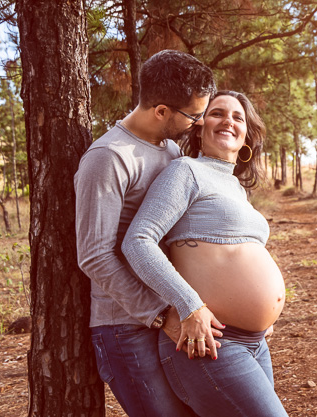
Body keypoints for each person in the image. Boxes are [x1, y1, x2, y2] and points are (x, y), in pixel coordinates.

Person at [122, 90, 288, 417]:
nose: (228, 120)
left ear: (246, 136)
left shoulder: (237, 187)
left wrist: (263, 316)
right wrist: (189, 305)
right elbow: (138, 240)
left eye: (238, 117)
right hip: (208, 343)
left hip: (255, 343)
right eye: (217, 113)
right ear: (199, 128)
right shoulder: (186, 171)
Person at [75, 49, 217, 417]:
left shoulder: (169, 148)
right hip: (125, 326)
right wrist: (159, 314)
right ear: (161, 111)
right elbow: (94, 255)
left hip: (171, 312)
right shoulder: (109, 157)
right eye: (194, 115)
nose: (199, 124)